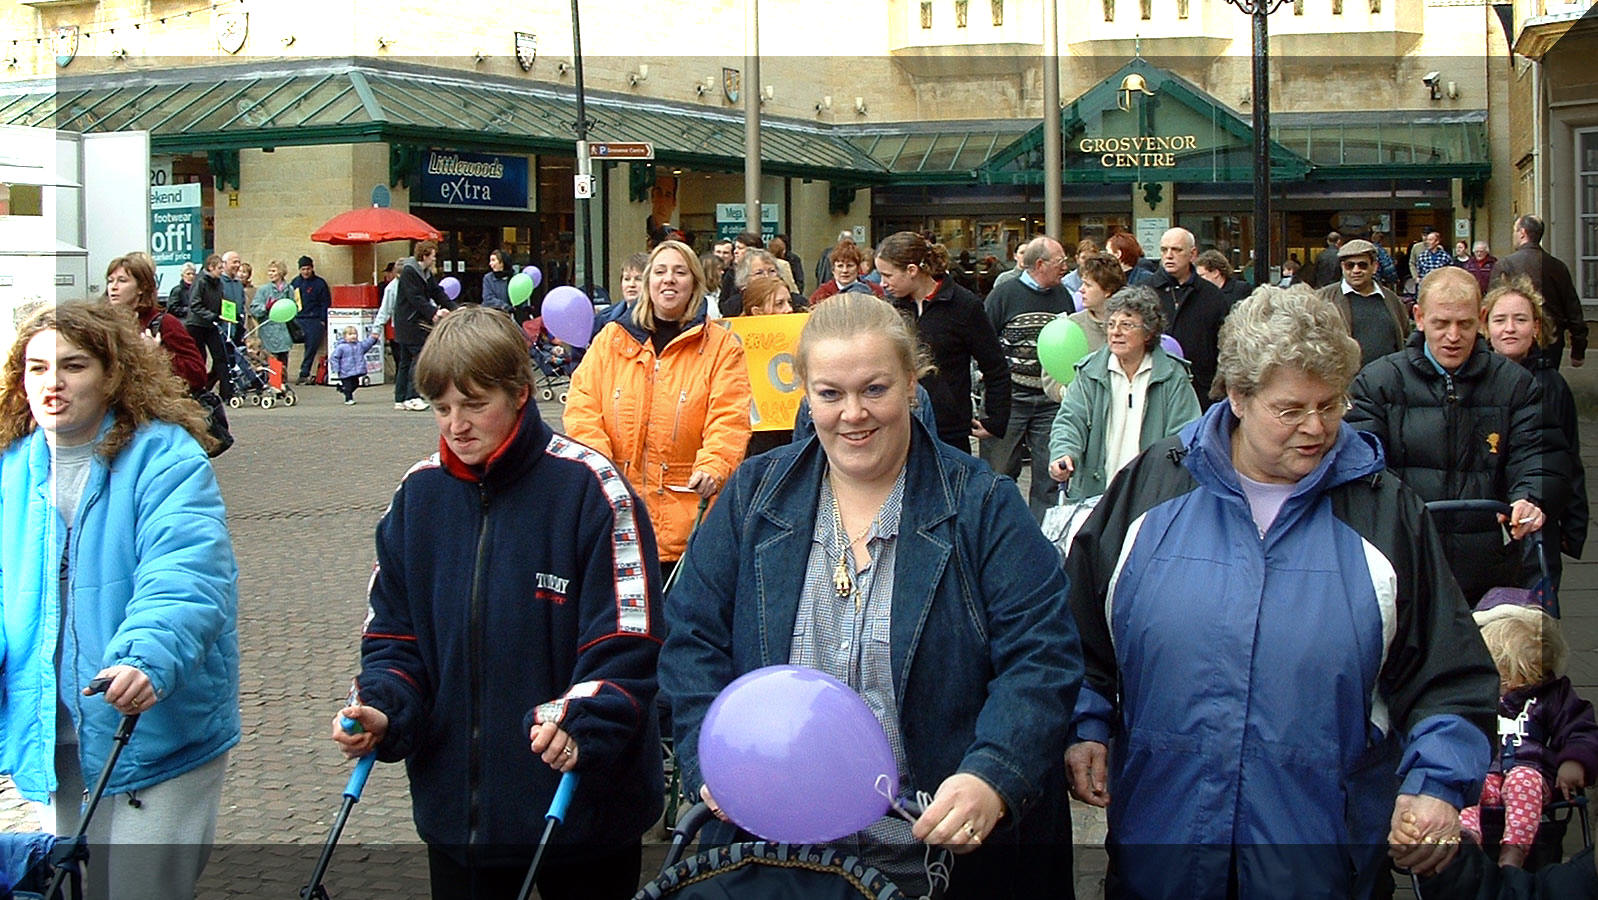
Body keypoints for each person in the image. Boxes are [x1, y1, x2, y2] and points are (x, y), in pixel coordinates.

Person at [1065, 285, 1498, 898]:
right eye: (1291, 410)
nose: (1316, 428)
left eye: (1332, 404)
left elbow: (1447, 674)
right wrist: (1086, 724)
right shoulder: (1150, 492)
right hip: (1163, 853)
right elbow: (1076, 640)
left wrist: (1436, 784)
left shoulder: (1386, 514)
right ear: (1238, 396)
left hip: (1321, 861)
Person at [659, 292, 1081, 898]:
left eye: (875, 389)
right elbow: (691, 636)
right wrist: (712, 759)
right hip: (775, 855)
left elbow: (1042, 657)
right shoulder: (755, 495)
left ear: (913, 383)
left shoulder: (982, 504)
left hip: (929, 862)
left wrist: (992, 775)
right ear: (805, 392)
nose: (852, 413)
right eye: (830, 393)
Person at [332, 306, 664, 900]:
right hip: (460, 821)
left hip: (580, 816)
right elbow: (393, 639)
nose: (455, 425)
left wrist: (584, 717)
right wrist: (384, 708)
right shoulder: (417, 497)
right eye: (441, 408)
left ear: (520, 394)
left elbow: (627, 646)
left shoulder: (594, 492)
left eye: (474, 404)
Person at [0, 301, 239, 900]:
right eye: (36, 368)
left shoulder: (166, 458)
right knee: (68, 886)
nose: (52, 384)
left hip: (150, 727)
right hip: (50, 732)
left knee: (136, 889)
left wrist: (146, 655)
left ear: (112, 374)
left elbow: (188, 572)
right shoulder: (11, 468)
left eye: (73, 366)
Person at [1348, 267, 1559, 605]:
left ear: (1481, 319)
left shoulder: (1515, 384)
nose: (1453, 336)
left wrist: (1529, 497)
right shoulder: (1378, 382)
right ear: (1418, 317)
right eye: (1441, 323)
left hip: (1489, 561)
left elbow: (1533, 454)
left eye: (1464, 324)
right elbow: (1363, 464)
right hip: (1406, 556)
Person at [564, 240, 752, 578]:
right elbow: (582, 408)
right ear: (648, 281)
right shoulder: (611, 339)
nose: (669, 279)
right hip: (614, 515)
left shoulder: (722, 348)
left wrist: (715, 465)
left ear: (694, 282)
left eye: (680, 272)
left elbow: (730, 417)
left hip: (688, 520)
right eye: (661, 271)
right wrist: (601, 468)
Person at [1459, 602, 1598, 868]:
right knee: (1465, 781)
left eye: (1525, 676)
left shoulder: (1552, 696)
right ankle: (1467, 845)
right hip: (1486, 774)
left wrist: (1574, 762)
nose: (1513, 686)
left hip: (1531, 774)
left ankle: (1513, 852)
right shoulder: (1476, 695)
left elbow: (1580, 729)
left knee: (1523, 780)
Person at [1047, 285, 1201, 500]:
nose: (1115, 332)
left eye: (1126, 325)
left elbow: (1185, 435)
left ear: (1148, 332)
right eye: (1111, 324)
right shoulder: (1089, 372)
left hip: (1152, 497)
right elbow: (1070, 420)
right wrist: (1064, 453)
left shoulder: (1172, 375)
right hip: (1095, 495)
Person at [1483, 278, 1587, 587]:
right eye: (1500, 320)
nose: (1510, 328)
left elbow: (1568, 457)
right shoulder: (1474, 381)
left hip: (1536, 514)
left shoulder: (1551, 385)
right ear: (1486, 327)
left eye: (1520, 319)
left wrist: (1573, 524)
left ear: (1537, 328)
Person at [876, 231, 1010, 452]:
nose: (883, 283)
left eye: (887, 275)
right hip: (900, 423)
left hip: (948, 429)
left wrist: (995, 419)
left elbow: (995, 365)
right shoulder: (892, 308)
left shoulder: (964, 306)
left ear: (911, 271)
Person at [981, 235, 1073, 519]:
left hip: (1051, 401)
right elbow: (984, 345)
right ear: (1041, 264)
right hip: (1011, 400)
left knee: (1050, 474)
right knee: (999, 471)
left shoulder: (1063, 296)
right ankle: (998, 529)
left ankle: (1043, 536)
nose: (1066, 267)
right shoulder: (1003, 295)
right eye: (1060, 262)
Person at [1146, 227, 1230, 407]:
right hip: (1152, 390)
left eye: (1176, 250)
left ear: (1192, 254)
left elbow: (1226, 345)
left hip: (1201, 393)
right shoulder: (1143, 292)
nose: (1169, 255)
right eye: (1164, 250)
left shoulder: (1212, 296)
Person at [103, 252, 207, 391]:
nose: (113, 287)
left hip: (155, 406)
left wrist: (158, 354)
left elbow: (198, 375)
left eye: (122, 280)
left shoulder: (165, 323)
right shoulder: (103, 323)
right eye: (110, 281)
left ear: (141, 287)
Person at [1495, 214, 1588, 368]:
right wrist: (1578, 349)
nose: (1514, 235)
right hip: (1551, 340)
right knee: (1547, 386)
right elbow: (1573, 311)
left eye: (1514, 231)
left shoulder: (1505, 265)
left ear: (1522, 233)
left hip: (1515, 339)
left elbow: (1494, 307)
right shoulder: (1558, 266)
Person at [1315, 238, 1410, 369]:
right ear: (1342, 267)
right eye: (1350, 265)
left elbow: (1405, 336)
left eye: (1362, 265)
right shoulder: (1324, 298)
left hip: (1387, 381)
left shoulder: (1392, 300)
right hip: (1344, 382)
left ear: (1374, 267)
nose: (1356, 270)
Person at [393, 240, 456, 411]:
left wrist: (454, 308)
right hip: (410, 322)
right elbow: (415, 298)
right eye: (433, 256)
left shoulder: (425, 272)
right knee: (419, 357)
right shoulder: (410, 272)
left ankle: (400, 398)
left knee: (405, 360)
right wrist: (434, 313)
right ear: (425, 255)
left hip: (409, 321)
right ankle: (412, 396)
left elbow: (437, 292)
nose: (435, 259)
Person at [185, 254, 232, 401]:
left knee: (221, 357)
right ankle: (197, 390)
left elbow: (222, 301)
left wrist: (228, 314)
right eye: (219, 268)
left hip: (211, 324)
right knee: (200, 358)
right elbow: (194, 304)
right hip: (196, 325)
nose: (221, 271)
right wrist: (211, 315)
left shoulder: (218, 283)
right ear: (210, 268)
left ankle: (226, 392)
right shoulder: (200, 281)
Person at [250, 259, 296, 376]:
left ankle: (282, 386)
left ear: (281, 272)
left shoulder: (289, 289)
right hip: (268, 332)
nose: (270, 274)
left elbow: (294, 307)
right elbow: (254, 308)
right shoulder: (264, 290)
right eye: (269, 271)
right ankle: (274, 386)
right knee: (272, 364)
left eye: (273, 271)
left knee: (283, 363)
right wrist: (265, 307)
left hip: (284, 332)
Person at [291, 255, 332, 385]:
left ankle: (304, 373)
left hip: (314, 319)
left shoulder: (320, 283)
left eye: (308, 269)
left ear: (312, 268)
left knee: (311, 347)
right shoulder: (295, 283)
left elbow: (325, 302)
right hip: (298, 318)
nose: (305, 272)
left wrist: (322, 320)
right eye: (303, 269)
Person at [808, 240, 884, 304]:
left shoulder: (875, 291)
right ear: (833, 269)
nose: (845, 271)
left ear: (858, 269)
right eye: (840, 266)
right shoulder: (821, 295)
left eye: (850, 266)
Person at [329, 325, 380, 405]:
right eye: (350, 334)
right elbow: (334, 358)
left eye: (354, 334)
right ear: (345, 336)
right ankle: (348, 398)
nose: (353, 336)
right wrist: (336, 368)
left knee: (355, 384)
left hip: (355, 371)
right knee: (348, 386)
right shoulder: (341, 347)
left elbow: (367, 344)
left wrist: (373, 338)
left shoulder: (359, 345)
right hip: (345, 371)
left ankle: (344, 390)